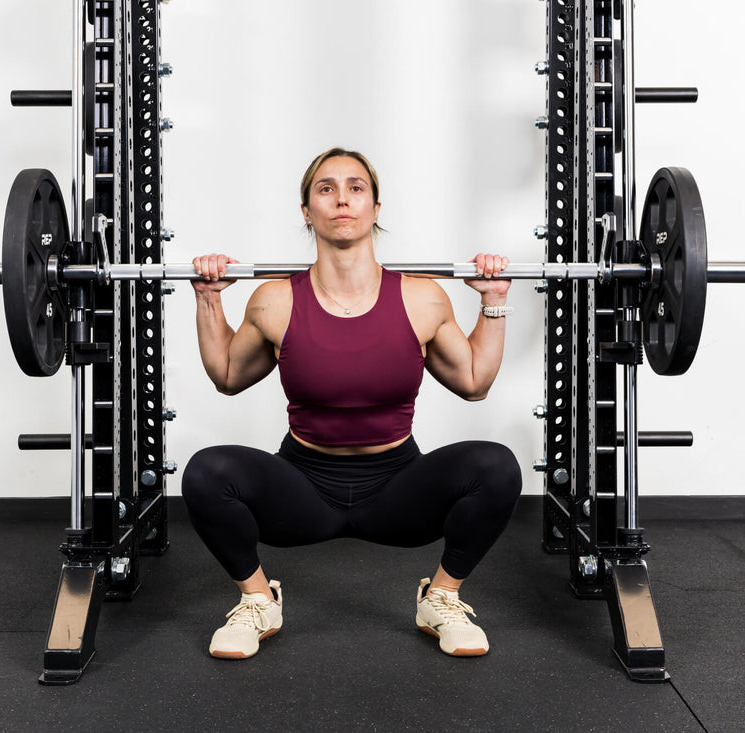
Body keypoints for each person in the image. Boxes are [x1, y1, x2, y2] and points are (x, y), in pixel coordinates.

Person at [183, 147, 522, 659]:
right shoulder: (275, 300)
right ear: (307, 211)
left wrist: (494, 299)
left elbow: (475, 382)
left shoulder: (422, 298)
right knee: (206, 471)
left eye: (356, 187)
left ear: (375, 207)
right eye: (326, 188)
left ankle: (442, 598)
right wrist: (209, 298)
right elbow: (227, 376)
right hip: (303, 490)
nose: (342, 198)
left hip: (397, 491)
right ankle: (258, 602)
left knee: (496, 465)